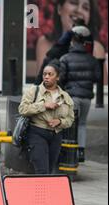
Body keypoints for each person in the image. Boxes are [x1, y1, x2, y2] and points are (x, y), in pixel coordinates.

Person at [19, 61, 75, 175]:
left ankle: (44, 192)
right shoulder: (33, 91)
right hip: (37, 132)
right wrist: (43, 105)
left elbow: (70, 119)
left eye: (50, 74)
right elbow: (22, 109)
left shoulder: (65, 96)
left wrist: (59, 122)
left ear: (57, 77)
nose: (46, 77)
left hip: (56, 136)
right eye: (44, 74)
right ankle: (40, 192)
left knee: (49, 170)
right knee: (42, 171)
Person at [60, 26, 101, 162]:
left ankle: (70, 152)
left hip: (72, 96)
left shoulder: (65, 58)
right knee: (82, 123)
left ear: (72, 42)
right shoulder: (92, 60)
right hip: (86, 98)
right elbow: (98, 77)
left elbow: (62, 78)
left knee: (70, 124)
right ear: (84, 43)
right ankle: (81, 151)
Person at [36, 0, 106, 74]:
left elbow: (103, 85)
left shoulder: (97, 49)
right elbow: (43, 83)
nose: (79, 10)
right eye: (73, 3)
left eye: (85, 8)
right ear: (59, 9)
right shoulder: (44, 43)